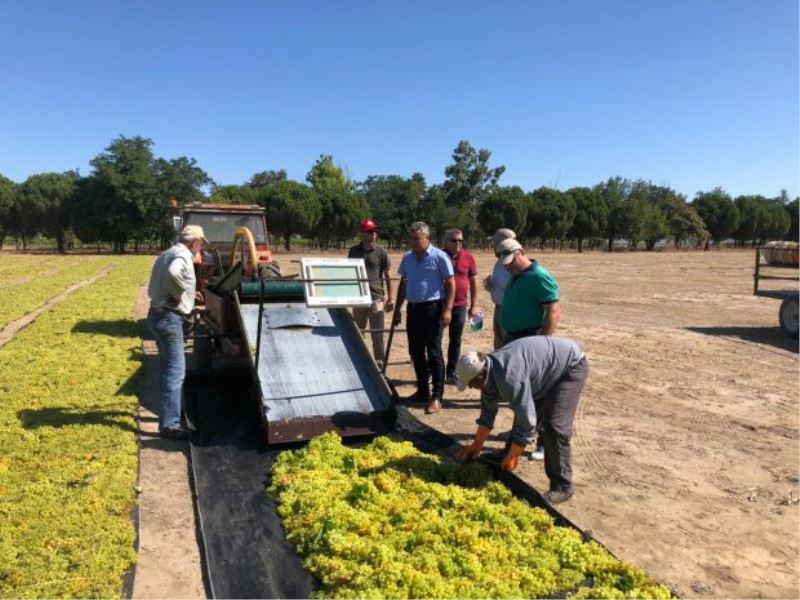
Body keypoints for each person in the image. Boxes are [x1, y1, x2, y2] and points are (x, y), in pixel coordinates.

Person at [454, 337, 589, 504]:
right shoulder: (488, 373)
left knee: (554, 427)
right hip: (543, 373)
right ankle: (506, 453)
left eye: (471, 384)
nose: (471, 388)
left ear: (480, 378)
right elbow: (487, 416)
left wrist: (514, 455)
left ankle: (563, 487)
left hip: (569, 367)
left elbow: (527, 421)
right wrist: (476, 446)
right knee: (523, 409)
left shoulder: (509, 377)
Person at [146, 225, 206, 441]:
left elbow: (164, 280)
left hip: (156, 313)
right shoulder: (183, 256)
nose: (202, 247)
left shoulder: (168, 252)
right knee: (176, 371)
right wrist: (184, 290)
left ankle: (172, 410)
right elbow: (173, 273)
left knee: (166, 369)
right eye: (201, 243)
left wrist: (186, 292)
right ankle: (170, 425)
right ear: (195, 242)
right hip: (170, 319)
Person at [396, 222, 455, 414]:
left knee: (434, 352)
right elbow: (403, 284)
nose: (413, 242)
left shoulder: (439, 257)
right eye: (411, 238)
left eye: (417, 239)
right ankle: (422, 390)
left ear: (427, 238)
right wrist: (397, 309)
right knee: (415, 351)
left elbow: (451, 284)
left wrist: (447, 310)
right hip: (413, 309)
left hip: (433, 309)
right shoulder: (407, 258)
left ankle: (437, 396)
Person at [496, 238, 562, 341]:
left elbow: (553, 312)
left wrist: (542, 342)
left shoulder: (539, 276)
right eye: (504, 264)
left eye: (511, 260)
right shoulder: (515, 274)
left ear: (521, 252)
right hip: (511, 338)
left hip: (529, 339)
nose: (507, 266)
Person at [348, 219, 394, 366]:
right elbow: (349, 273)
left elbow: (388, 276)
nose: (373, 234)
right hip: (359, 298)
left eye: (374, 231)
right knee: (359, 334)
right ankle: (359, 364)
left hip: (376, 299)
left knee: (378, 335)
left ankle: (380, 366)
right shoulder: (353, 251)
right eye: (369, 231)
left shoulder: (381, 252)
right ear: (361, 234)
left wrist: (390, 298)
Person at [442, 228, 478, 386]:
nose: (458, 243)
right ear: (445, 241)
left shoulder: (468, 257)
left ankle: (451, 373)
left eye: (460, 241)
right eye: (454, 240)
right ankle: (433, 372)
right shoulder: (438, 256)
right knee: (434, 340)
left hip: (461, 305)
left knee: (455, 340)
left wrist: (474, 305)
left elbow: (473, 282)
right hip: (439, 306)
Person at [482, 228, 515, 350]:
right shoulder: (499, 263)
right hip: (499, 308)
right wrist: (490, 285)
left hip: (510, 310)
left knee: (508, 344)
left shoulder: (512, 263)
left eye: (495, 243)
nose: (493, 245)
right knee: (499, 343)